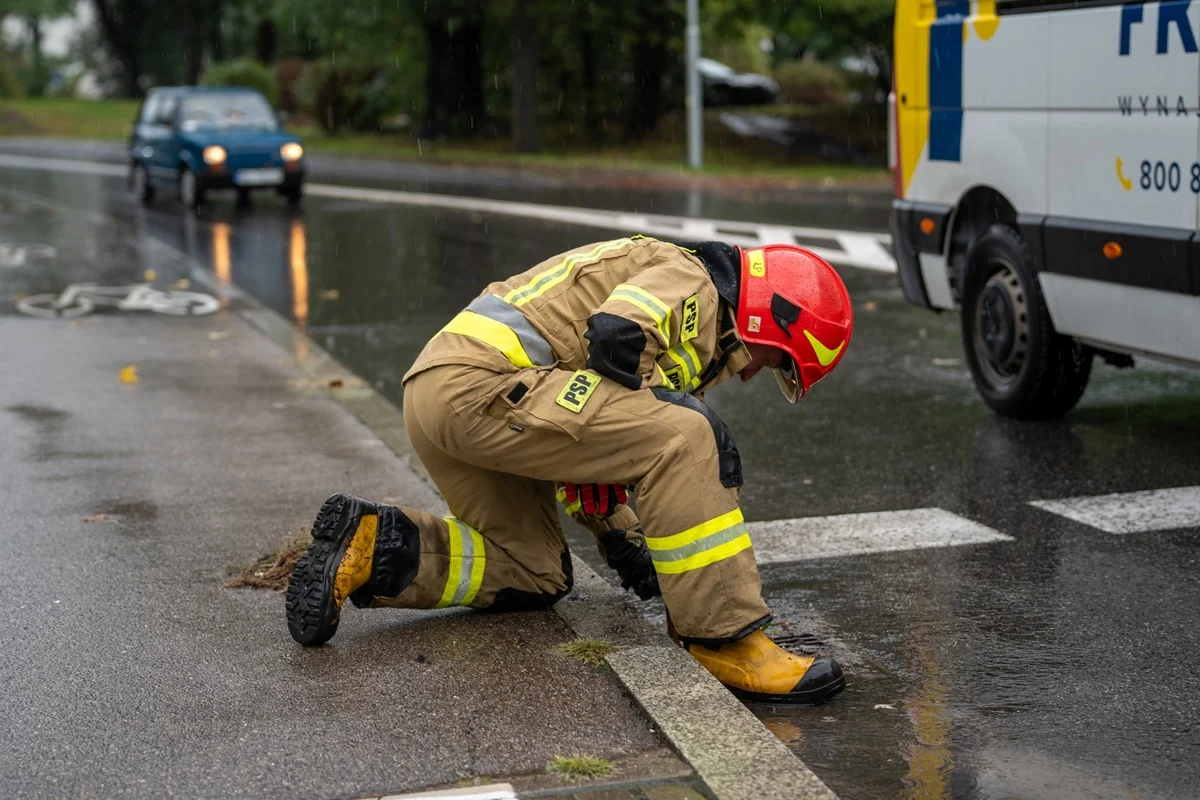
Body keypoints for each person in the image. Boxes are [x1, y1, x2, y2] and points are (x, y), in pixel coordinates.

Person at [285, 236, 853, 705]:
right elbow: (618, 336)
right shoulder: (693, 280)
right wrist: (633, 523)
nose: (756, 374)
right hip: (486, 386)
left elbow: (596, 433)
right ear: (771, 315)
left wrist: (620, 531)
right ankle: (726, 639)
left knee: (533, 573)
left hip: (447, 399)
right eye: (777, 358)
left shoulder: (689, 310)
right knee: (690, 433)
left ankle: (374, 547)